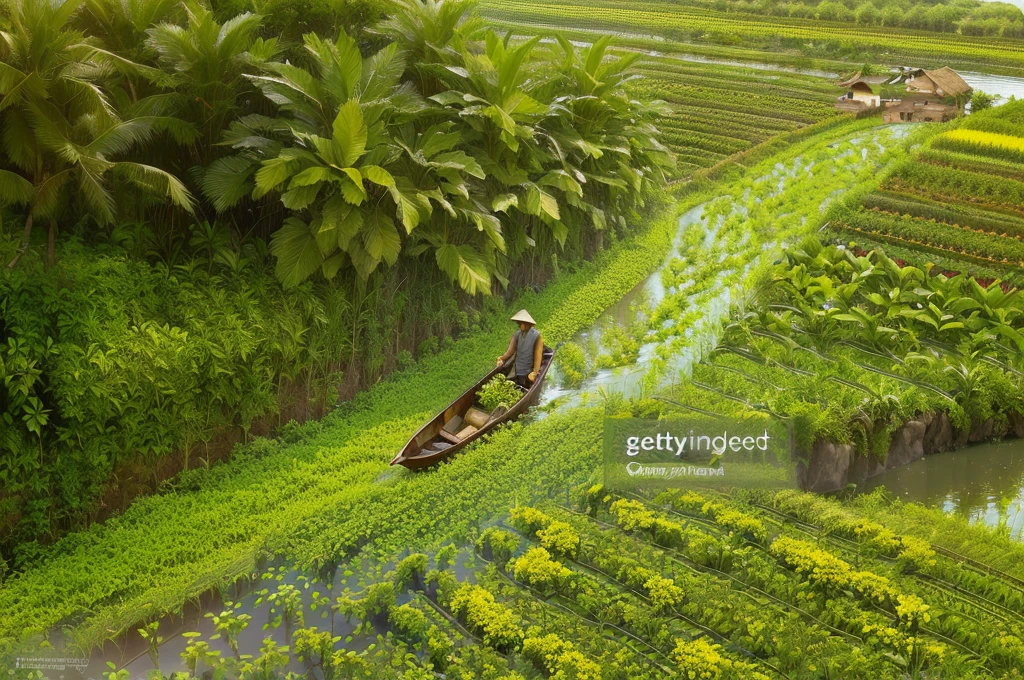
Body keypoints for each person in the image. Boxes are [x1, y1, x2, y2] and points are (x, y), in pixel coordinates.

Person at [496, 309, 543, 389]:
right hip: (518, 369)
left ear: (527, 324)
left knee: (524, 386)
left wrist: (534, 372)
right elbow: (510, 351)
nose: (519, 325)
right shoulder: (517, 334)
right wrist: (502, 358)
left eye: (520, 323)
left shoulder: (536, 336)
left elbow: (538, 355)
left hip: (528, 370)